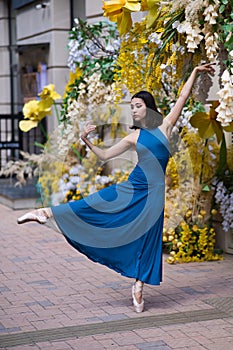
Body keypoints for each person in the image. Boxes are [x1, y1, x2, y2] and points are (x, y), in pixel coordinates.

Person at [17, 63, 214, 313]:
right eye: (131, 107)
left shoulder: (165, 127)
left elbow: (183, 97)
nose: (133, 110)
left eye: (137, 105)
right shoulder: (133, 137)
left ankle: (138, 286)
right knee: (96, 203)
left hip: (154, 194)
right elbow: (105, 155)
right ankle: (46, 212)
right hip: (133, 187)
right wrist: (87, 140)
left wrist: (195, 71)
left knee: (148, 238)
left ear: (149, 108)